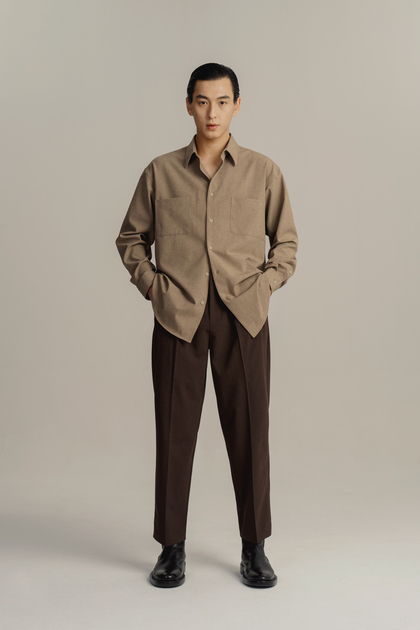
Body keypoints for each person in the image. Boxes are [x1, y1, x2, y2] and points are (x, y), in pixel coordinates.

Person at [115, 62, 298, 588]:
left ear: (237, 105)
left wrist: (263, 288)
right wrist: (156, 289)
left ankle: (254, 548)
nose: (212, 113)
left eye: (221, 102)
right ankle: (171, 548)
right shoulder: (160, 172)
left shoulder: (263, 172)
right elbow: (131, 239)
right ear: (189, 105)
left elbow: (286, 243)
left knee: (250, 432)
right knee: (174, 432)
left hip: (244, 317)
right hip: (179, 316)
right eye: (202, 101)